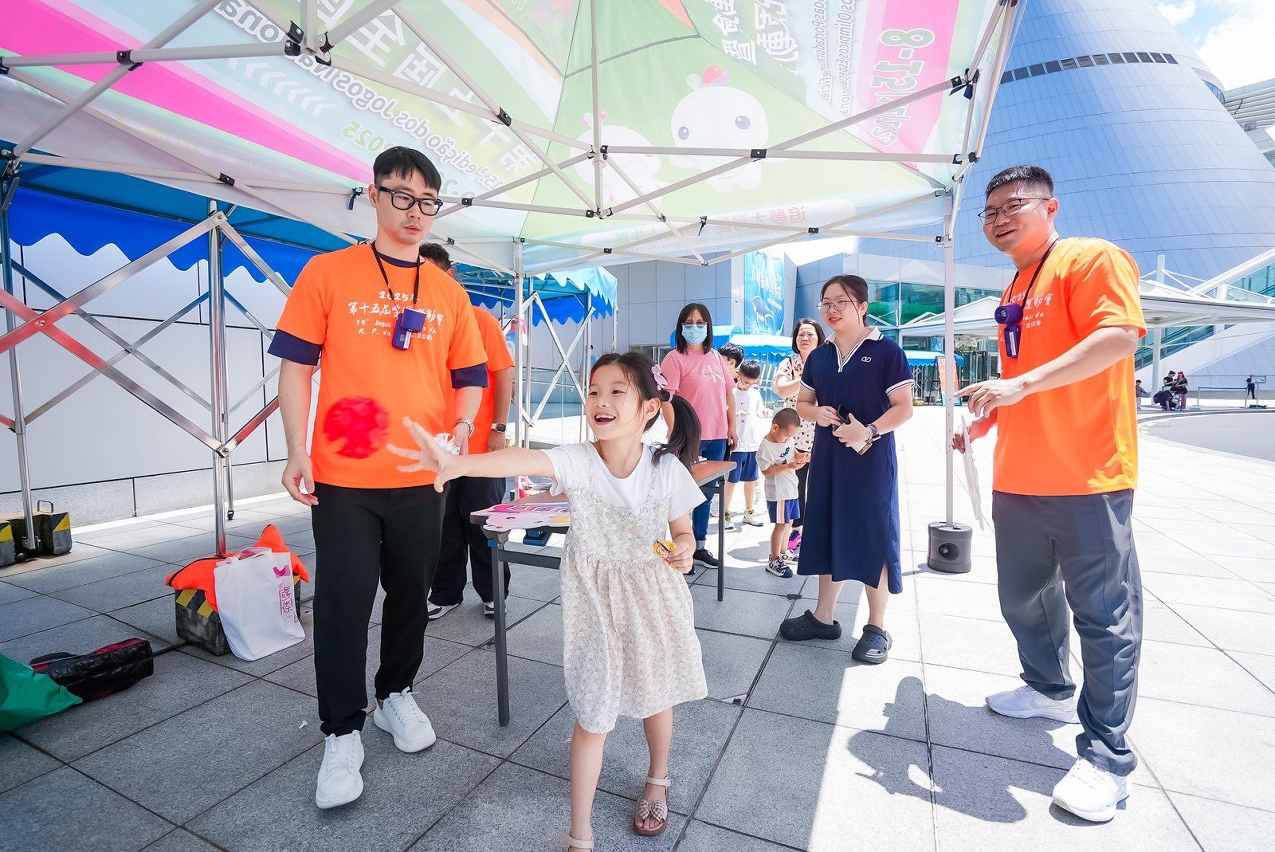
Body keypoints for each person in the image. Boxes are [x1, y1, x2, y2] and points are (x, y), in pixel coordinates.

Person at [391, 352, 708, 852]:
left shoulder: (664, 468)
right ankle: (579, 834)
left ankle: (657, 779)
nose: (600, 401)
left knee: (656, 695)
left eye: (616, 391)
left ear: (649, 408)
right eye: (594, 391)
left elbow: (683, 531)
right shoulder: (578, 460)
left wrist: (685, 549)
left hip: (652, 602)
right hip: (595, 608)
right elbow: (523, 458)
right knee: (592, 712)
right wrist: (460, 464)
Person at [269, 147, 488, 809]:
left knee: (411, 594)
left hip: (421, 475)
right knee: (343, 603)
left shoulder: (448, 292)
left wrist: (458, 432)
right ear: (373, 194)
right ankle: (342, 730)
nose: (415, 212)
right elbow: (296, 366)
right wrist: (296, 449)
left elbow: (471, 377)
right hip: (343, 475)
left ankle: (395, 693)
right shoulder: (328, 272)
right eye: (402, 196)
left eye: (428, 202)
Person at [954, 164, 1145, 823]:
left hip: (1089, 475)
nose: (998, 220)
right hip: (1018, 476)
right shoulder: (1014, 282)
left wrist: (1020, 385)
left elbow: (1117, 337)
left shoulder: (1090, 259)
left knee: (1104, 617)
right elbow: (1021, 381)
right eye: (989, 213)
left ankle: (1107, 758)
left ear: (1050, 207)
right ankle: (1048, 688)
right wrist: (986, 420)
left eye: (1012, 206)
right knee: (1022, 596)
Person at [777, 276, 913, 664]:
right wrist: (816, 412)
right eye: (826, 303)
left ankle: (876, 626)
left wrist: (868, 430)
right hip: (828, 461)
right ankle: (824, 616)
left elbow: (904, 407)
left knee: (874, 536)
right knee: (827, 530)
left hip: (871, 461)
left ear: (862, 306)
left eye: (842, 302)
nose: (832, 309)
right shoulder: (819, 357)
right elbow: (803, 403)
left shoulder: (886, 351)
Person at [418, 243, 516, 620]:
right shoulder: (419, 322)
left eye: (432, 274)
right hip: (437, 445)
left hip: (478, 444)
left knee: (483, 519)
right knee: (441, 524)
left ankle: (494, 592)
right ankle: (446, 592)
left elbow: (503, 375)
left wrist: (498, 427)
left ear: (451, 275)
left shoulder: (479, 319)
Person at [660, 303, 736, 570]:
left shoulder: (715, 356)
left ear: (708, 326)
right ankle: (683, 551)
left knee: (706, 495)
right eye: (689, 323)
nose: (695, 328)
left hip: (717, 436)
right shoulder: (674, 358)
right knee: (683, 496)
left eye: (700, 323)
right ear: (681, 327)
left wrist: (732, 427)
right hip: (690, 438)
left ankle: (699, 546)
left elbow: (728, 394)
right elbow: (666, 400)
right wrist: (676, 432)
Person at [771, 318, 825, 554]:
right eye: (801, 334)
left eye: (810, 334)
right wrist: (809, 377)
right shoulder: (789, 364)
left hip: (823, 433)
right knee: (796, 486)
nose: (805, 338)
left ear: (819, 338)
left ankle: (819, 532)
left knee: (821, 486)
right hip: (795, 438)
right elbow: (782, 389)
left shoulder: (828, 361)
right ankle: (796, 532)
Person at [757, 407, 806, 578]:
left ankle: (784, 552)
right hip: (779, 493)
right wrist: (788, 466)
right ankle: (774, 558)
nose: (789, 439)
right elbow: (766, 470)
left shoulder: (787, 441)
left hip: (791, 489)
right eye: (787, 435)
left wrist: (801, 457)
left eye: (791, 436)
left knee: (789, 522)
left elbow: (793, 453)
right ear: (775, 427)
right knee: (781, 525)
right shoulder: (766, 446)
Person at [724, 360, 767, 531]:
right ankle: (725, 513)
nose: (747, 386)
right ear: (738, 374)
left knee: (750, 480)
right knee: (731, 481)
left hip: (752, 444)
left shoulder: (755, 394)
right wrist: (736, 414)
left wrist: (764, 412)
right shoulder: (731, 393)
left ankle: (749, 512)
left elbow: (760, 410)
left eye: (751, 384)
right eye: (744, 381)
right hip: (736, 445)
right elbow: (724, 414)